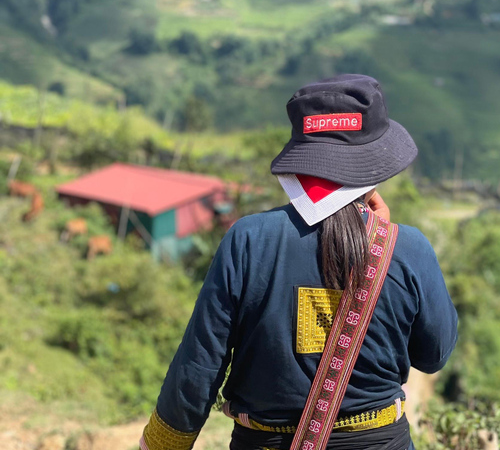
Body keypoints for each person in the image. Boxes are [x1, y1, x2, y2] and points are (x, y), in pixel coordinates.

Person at [140, 74, 458, 450]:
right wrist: (384, 242)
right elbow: (434, 355)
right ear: (373, 167)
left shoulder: (248, 240)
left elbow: (199, 366)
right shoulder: (409, 247)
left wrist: (161, 444)